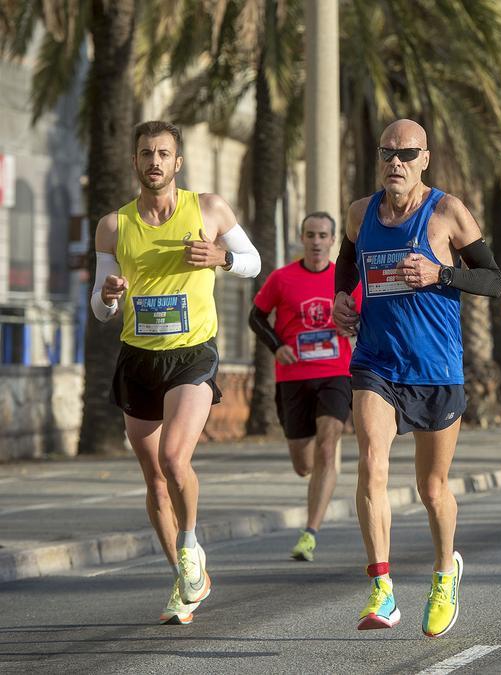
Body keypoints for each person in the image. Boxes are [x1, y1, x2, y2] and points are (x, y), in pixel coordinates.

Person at [333, 119, 501, 635]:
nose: (396, 163)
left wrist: (441, 274)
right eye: (388, 153)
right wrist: (342, 299)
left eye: (407, 154)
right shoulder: (361, 213)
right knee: (371, 462)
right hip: (376, 363)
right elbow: (345, 264)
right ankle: (382, 589)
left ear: (425, 158)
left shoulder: (448, 212)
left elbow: (493, 281)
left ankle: (445, 571)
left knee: (432, 488)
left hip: (436, 370)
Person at [91, 120, 261, 624]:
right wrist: (107, 296)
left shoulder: (207, 208)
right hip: (138, 357)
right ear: (135, 161)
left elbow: (253, 261)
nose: (155, 162)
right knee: (154, 480)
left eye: (164, 153)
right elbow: (102, 309)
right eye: (146, 153)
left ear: (177, 162)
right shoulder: (114, 226)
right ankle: (186, 578)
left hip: (192, 353)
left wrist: (222, 257)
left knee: (172, 457)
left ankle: (190, 544)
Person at [249, 212, 361, 561]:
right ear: (302, 238)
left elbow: (366, 315)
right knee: (303, 463)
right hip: (293, 377)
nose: (316, 241)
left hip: (335, 372)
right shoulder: (282, 279)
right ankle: (319, 471)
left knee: (328, 446)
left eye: (323, 235)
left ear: (331, 241)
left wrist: (353, 329)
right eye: (310, 235)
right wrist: (276, 346)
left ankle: (310, 532)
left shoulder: (346, 280)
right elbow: (256, 317)